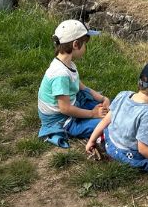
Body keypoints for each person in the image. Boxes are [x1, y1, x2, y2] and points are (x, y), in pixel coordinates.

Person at [38, 19, 109, 148]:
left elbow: (81, 87)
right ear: (76, 44)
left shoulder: (68, 64)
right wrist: (92, 114)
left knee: (112, 108)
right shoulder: (60, 74)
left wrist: (103, 98)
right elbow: (65, 109)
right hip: (63, 120)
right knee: (107, 122)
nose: (86, 47)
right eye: (85, 43)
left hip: (72, 105)